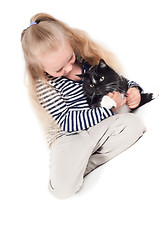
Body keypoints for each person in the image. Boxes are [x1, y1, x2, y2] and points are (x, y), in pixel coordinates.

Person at [21, 13, 145, 199]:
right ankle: (71, 167)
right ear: (41, 68)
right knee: (62, 190)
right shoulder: (44, 85)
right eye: (58, 69)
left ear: (70, 43)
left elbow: (115, 80)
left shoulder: (86, 60)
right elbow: (68, 122)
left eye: (69, 58)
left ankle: (83, 165)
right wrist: (109, 108)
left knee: (133, 125)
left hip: (100, 128)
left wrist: (133, 90)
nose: (68, 68)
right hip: (70, 136)